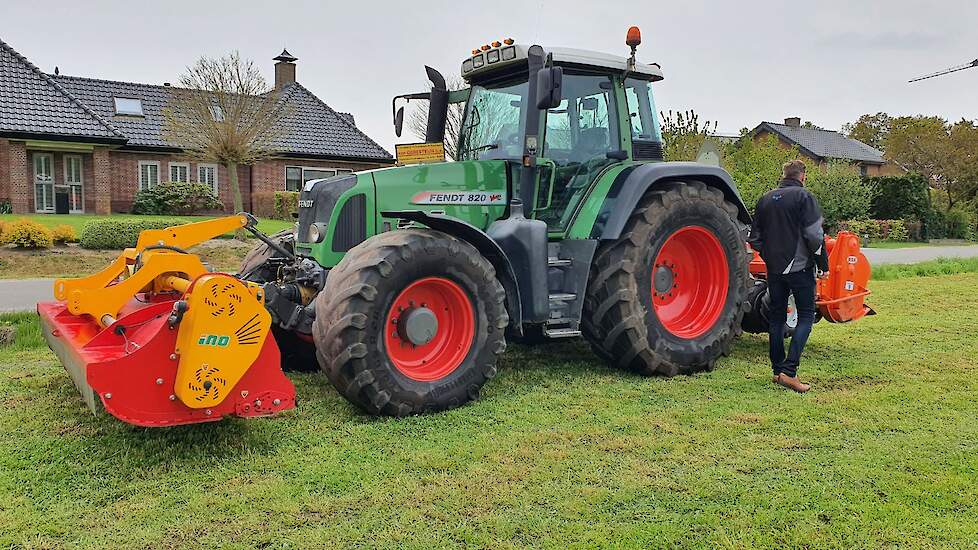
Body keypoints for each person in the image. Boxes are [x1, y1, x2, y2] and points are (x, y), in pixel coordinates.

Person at [748, 160, 828, 393]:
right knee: (805, 317)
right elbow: (814, 235)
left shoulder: (765, 199)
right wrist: (822, 263)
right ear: (803, 176)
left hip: (773, 269)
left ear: (783, 175)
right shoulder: (805, 198)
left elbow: (755, 238)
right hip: (800, 268)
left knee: (776, 318)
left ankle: (777, 371)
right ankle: (790, 372)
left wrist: (771, 256)